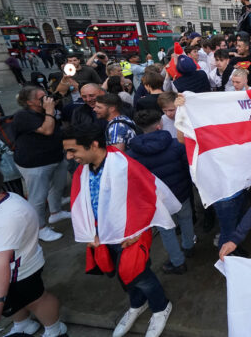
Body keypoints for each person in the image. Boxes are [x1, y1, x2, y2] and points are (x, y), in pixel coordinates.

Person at [61, 123, 176, 337]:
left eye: (73, 150)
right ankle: (137, 303)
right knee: (121, 275)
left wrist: (138, 232)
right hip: (102, 236)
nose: (69, 157)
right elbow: (82, 201)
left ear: (93, 144)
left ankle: (160, 307)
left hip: (130, 236)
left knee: (140, 274)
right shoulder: (82, 170)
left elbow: (152, 196)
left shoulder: (125, 166)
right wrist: (88, 231)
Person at [0, 168, 67, 337]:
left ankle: (55, 330)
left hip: (19, 273)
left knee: (37, 301)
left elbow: (0, 262)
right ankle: (23, 325)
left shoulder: (7, 218)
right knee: (14, 303)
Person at [126, 110, 195, 275]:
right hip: (181, 193)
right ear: (159, 125)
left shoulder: (132, 154)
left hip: (156, 200)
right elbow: (188, 169)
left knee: (166, 230)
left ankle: (178, 262)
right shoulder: (176, 145)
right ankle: (189, 246)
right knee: (186, 219)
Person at [11, 86, 70, 242]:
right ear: (29, 102)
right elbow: (47, 130)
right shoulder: (23, 116)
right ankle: (40, 228)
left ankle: (56, 212)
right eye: (41, 98)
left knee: (57, 187)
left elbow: (60, 93)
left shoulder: (44, 109)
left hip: (55, 157)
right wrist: (50, 111)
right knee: (38, 196)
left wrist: (64, 81)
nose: (47, 100)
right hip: (35, 163)